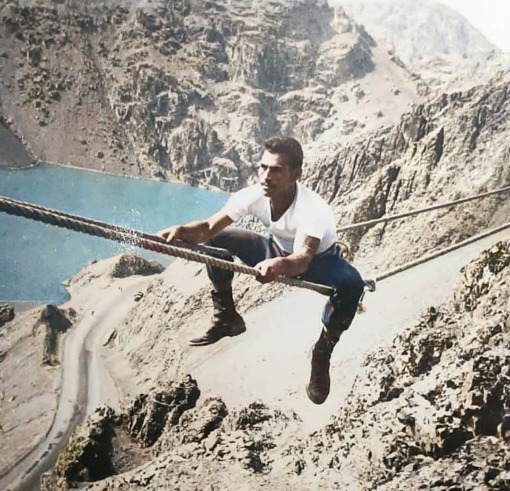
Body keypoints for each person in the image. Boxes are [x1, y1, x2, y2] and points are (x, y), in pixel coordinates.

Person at [157, 137, 365, 404]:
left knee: (352, 285)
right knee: (217, 240)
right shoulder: (255, 195)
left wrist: (278, 266)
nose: (266, 176)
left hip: (318, 262)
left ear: (296, 174)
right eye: (263, 167)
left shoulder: (313, 210)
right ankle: (227, 317)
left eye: (276, 170)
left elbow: (303, 258)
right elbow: (208, 228)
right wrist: (183, 231)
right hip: (275, 251)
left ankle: (323, 350)